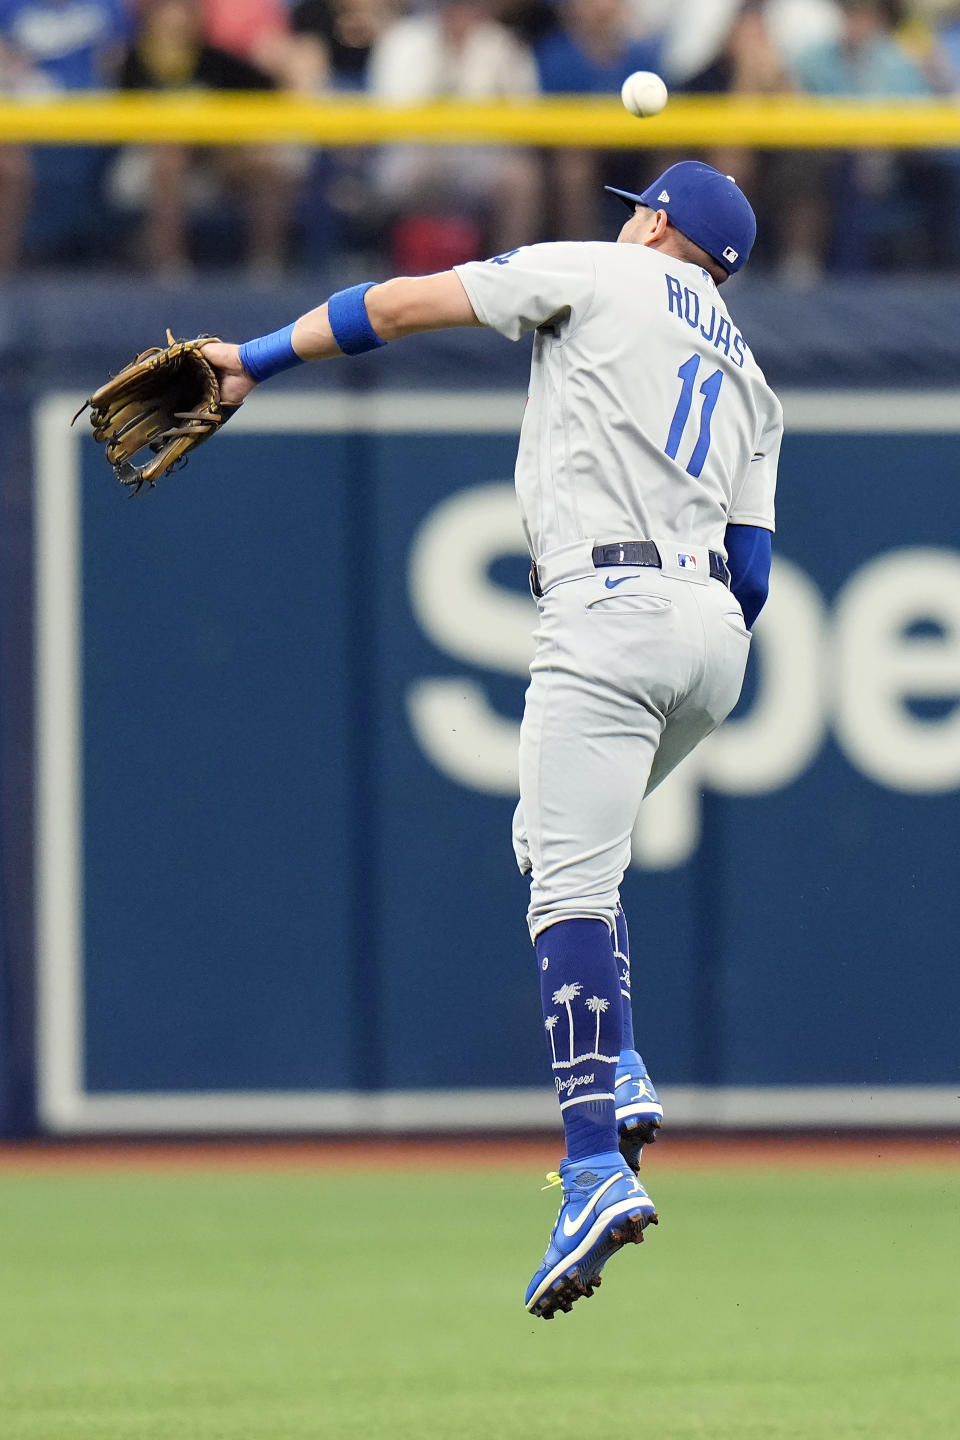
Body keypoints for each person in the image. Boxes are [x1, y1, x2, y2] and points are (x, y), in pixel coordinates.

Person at [199, 159, 782, 1318]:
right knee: (565, 848)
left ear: (659, 223)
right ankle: (615, 1062)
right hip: (718, 639)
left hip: (605, 605)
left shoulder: (604, 268)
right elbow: (756, 572)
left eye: (643, 211)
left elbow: (405, 303)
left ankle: (590, 1167)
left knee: (564, 881)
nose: (634, 221)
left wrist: (254, 359)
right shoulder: (753, 376)